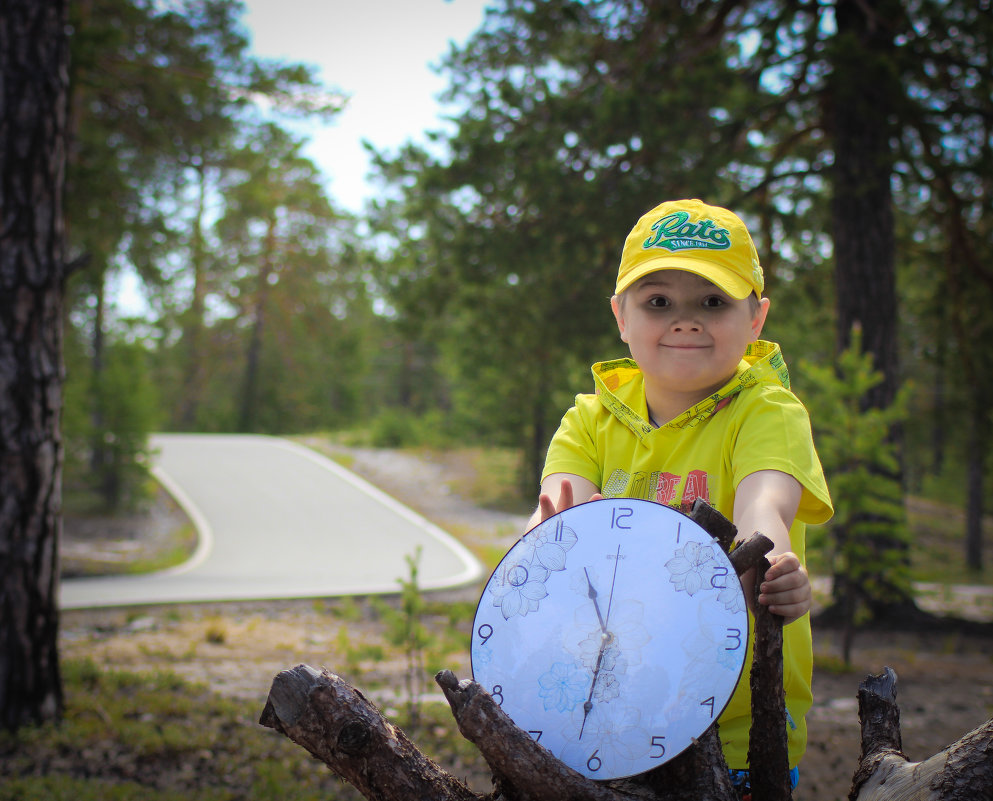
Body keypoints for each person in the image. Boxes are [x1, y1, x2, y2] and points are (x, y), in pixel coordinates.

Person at [526, 198, 833, 795]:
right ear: (620, 315)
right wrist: (546, 546)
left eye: (713, 302)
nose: (685, 320)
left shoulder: (767, 411)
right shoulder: (590, 420)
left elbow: (763, 504)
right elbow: (561, 511)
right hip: (607, 712)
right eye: (658, 301)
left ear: (756, 318)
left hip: (738, 726)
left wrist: (764, 560)